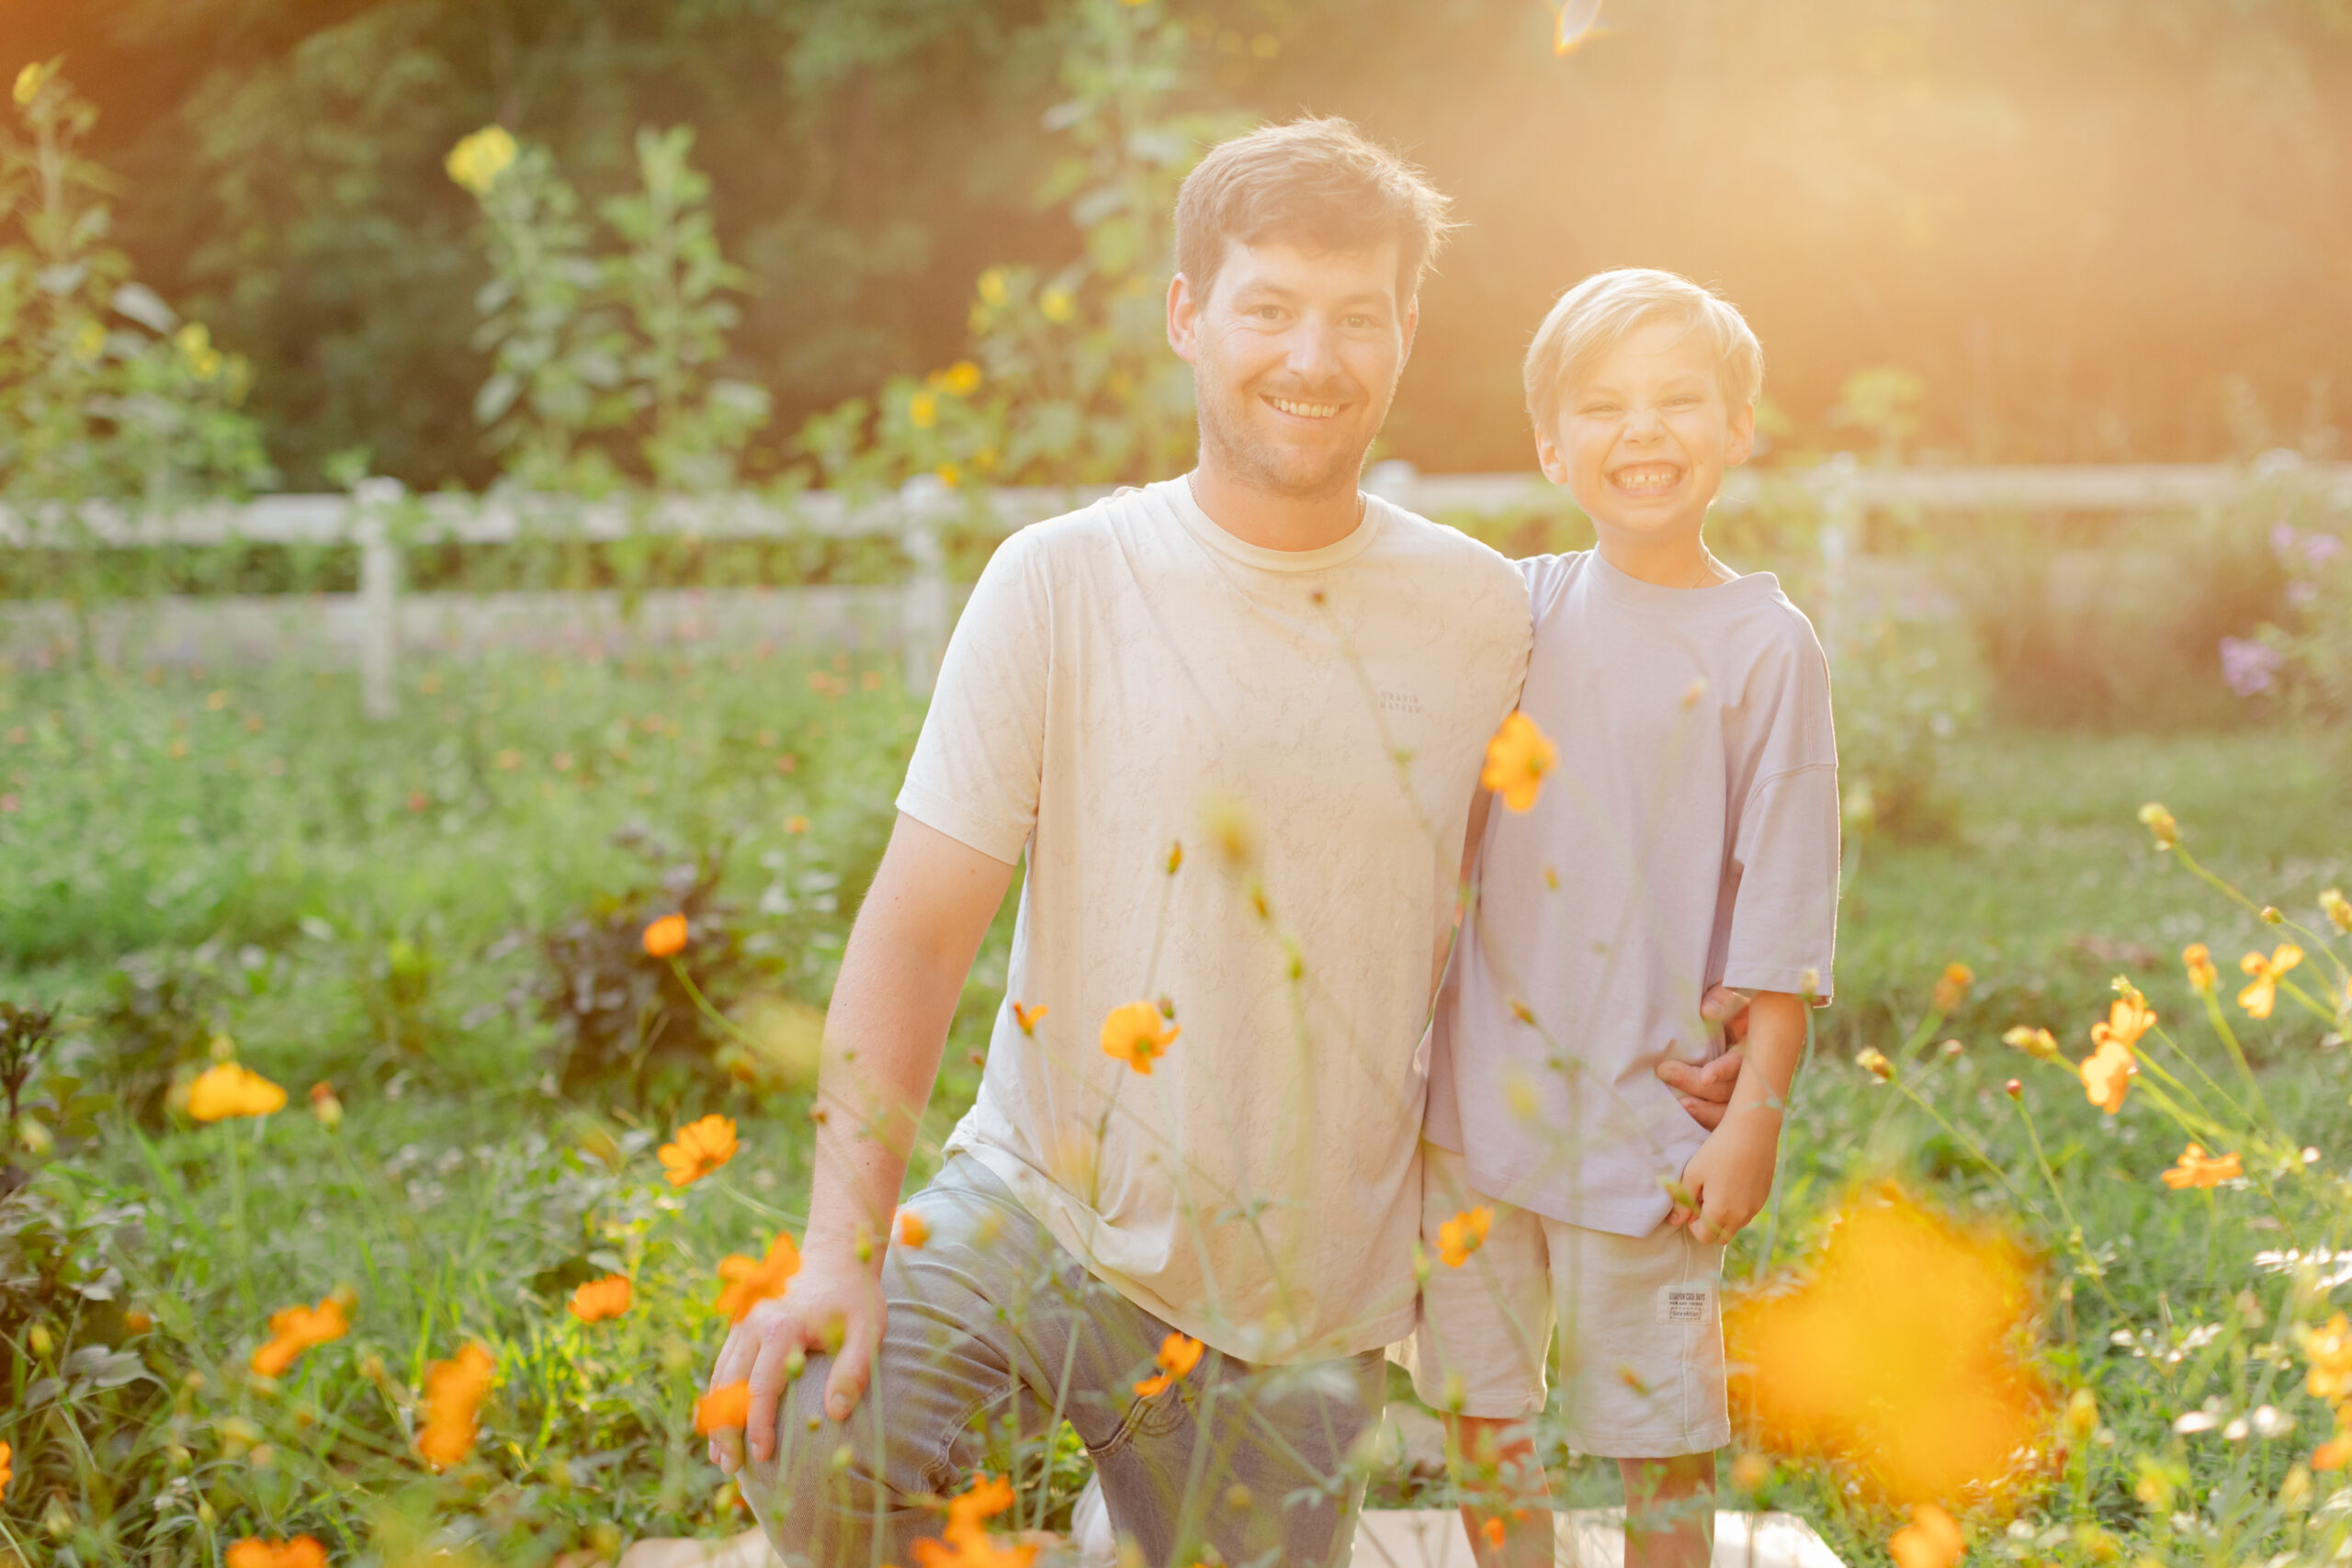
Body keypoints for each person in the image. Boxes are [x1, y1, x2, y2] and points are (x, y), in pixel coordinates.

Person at [705, 123, 1749, 1565]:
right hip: (1042, 1212)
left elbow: (1638, 814)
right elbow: (917, 929)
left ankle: (1124, 1516)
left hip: (1303, 1309)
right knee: (823, 1441)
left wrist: (1744, 1012)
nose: (1311, 356)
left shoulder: (1489, 616)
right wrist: (837, 1255)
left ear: (1401, 336)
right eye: (1268, 307)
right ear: (1189, 315)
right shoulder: (1060, 581)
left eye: (1355, 316)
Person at [1410, 268, 1840, 1568]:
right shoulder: (1516, 611)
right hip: (1478, 1111)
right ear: (1551, 444)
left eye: (1677, 402)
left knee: (1659, 1434)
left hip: (1655, 1118)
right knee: (1482, 1411)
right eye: (1601, 406)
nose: (1641, 432)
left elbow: (1785, 898)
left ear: (1740, 429)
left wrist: (1753, 1117)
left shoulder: (1767, 648)